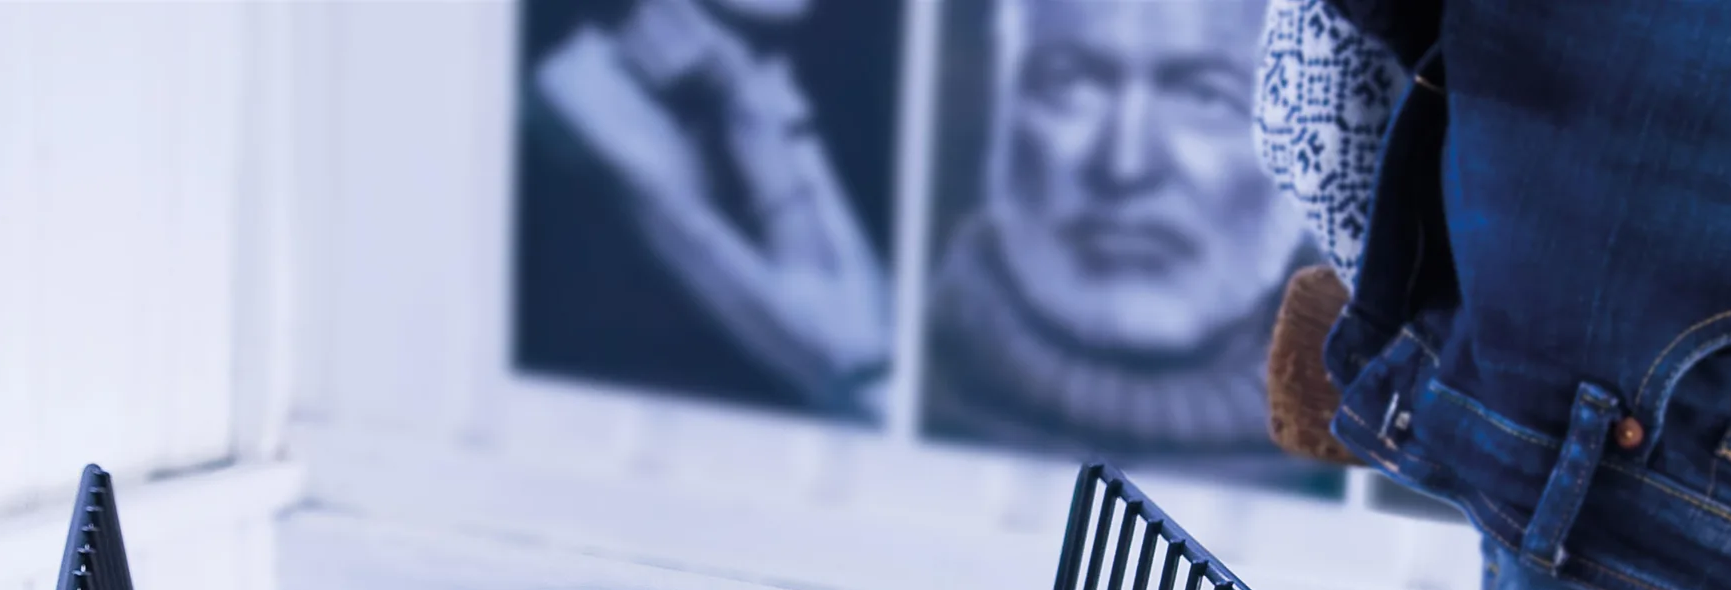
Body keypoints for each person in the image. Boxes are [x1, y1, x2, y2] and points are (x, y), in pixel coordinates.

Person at [926, 0, 1311, 465]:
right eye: (1070, 84)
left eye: (1205, 97)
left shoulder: (1394, 446)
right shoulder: (886, 372)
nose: (1126, 165)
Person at [521, 0, 893, 420]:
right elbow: (846, 370)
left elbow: (870, 356)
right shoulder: (583, 99)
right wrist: (764, 140)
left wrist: (764, 135)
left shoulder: (760, 70)